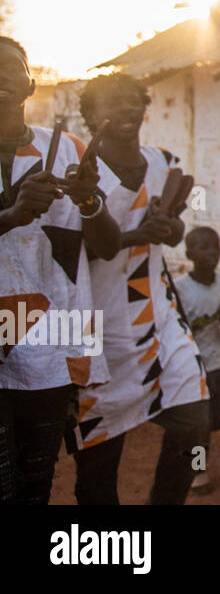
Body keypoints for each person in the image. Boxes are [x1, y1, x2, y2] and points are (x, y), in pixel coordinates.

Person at [71, 73, 209, 505]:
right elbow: (68, 256)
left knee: (195, 424)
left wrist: (170, 227)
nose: (128, 109)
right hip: (97, 328)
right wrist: (135, 234)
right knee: (99, 466)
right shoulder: (79, 176)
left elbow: (173, 232)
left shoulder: (162, 162)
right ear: (92, 115)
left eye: (135, 101)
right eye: (113, 102)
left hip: (157, 316)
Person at [0, 36, 121, 504]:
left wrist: (89, 200)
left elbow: (108, 247)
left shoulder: (68, 148)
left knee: (36, 483)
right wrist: (11, 215)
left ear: (31, 84)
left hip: (52, 337)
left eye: (10, 68)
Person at [175, 225, 220, 492]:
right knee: (201, 425)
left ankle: (186, 445)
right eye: (204, 247)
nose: (212, 252)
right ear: (190, 253)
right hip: (191, 365)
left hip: (216, 362)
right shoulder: (180, 288)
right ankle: (197, 472)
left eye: (215, 246)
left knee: (219, 419)